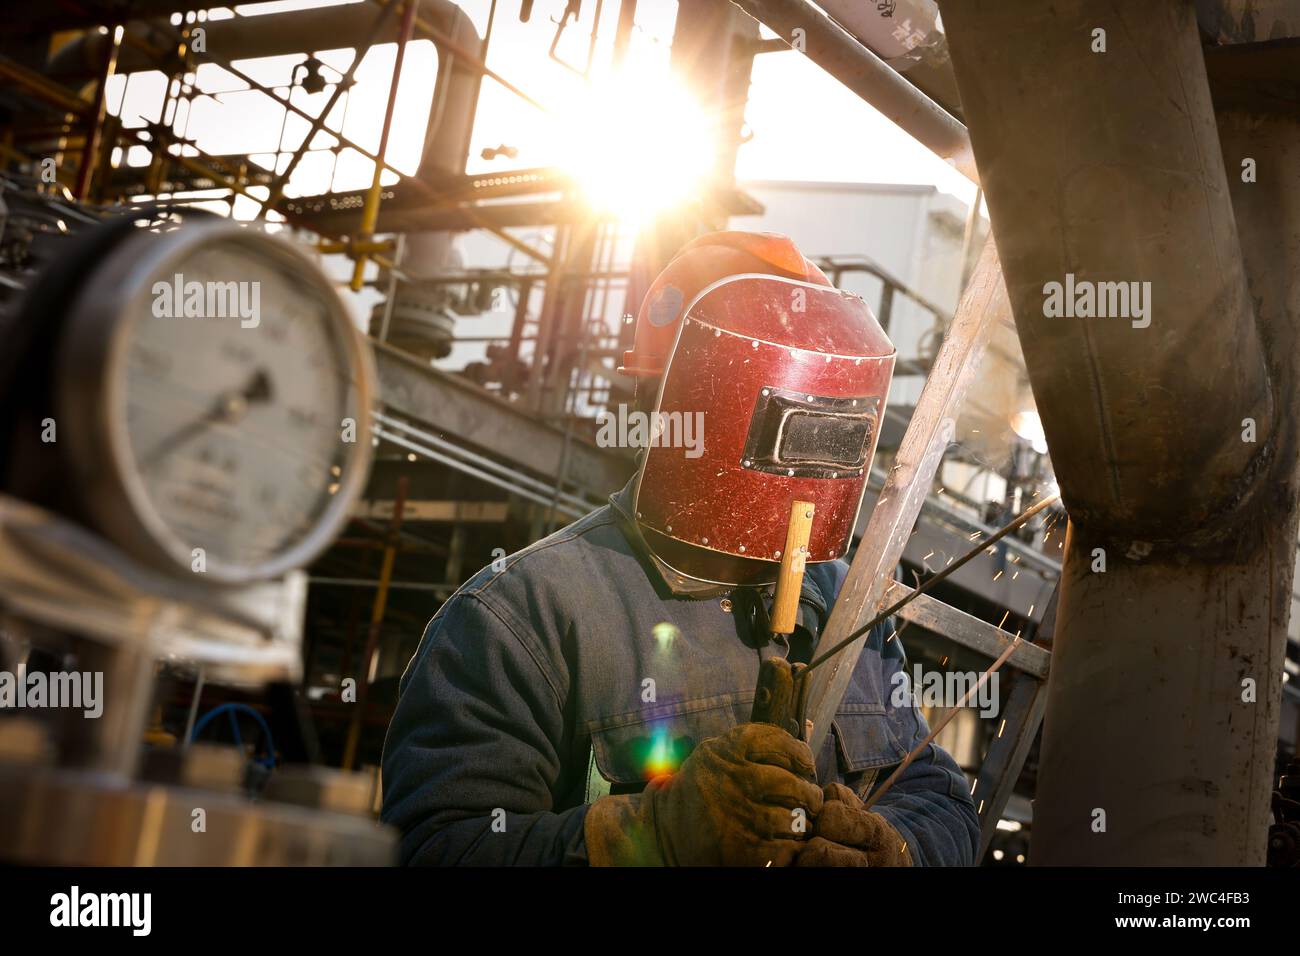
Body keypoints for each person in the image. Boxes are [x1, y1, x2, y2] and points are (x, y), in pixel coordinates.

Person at [381, 231, 980, 865]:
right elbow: (436, 848)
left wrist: (895, 848)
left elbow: (939, 796)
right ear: (662, 405)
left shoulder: (842, 604)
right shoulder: (522, 618)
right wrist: (651, 837)